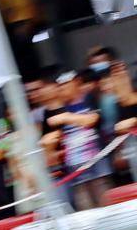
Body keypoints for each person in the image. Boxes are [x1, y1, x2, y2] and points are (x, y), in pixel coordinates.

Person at [44, 71, 112, 209]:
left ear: (77, 82)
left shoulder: (91, 99)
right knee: (85, 210)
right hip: (74, 171)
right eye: (60, 85)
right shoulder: (58, 110)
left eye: (66, 84)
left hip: (97, 165)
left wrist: (66, 118)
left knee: (107, 205)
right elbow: (51, 139)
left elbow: (92, 120)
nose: (62, 88)